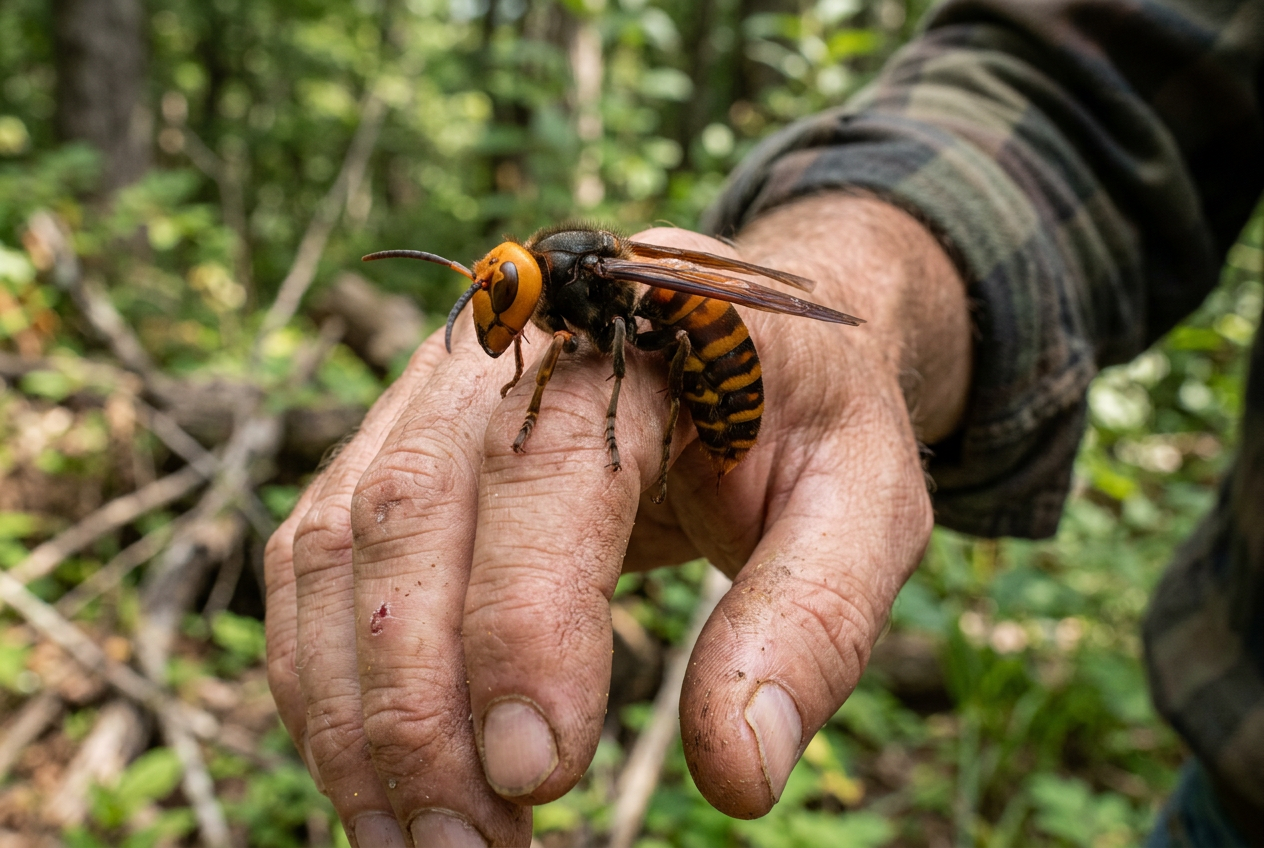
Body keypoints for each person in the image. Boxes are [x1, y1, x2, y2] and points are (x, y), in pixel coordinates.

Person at [264, 0, 1264, 845]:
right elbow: (1076, 94)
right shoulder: (554, 299)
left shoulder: (604, 293)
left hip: (718, 365)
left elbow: (620, 347)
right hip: (1230, 792)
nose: (498, 309)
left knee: (663, 351)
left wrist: (617, 421)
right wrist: (868, 270)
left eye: (505, 290)